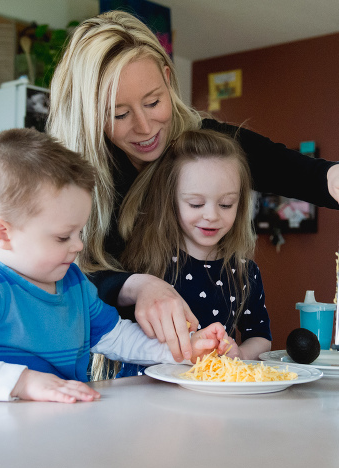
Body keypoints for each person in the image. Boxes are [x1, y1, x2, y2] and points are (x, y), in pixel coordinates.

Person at [47, 10, 339, 367]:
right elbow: (60, 276)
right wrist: (136, 285)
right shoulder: (75, 179)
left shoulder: (196, 142)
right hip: (106, 368)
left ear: (167, 80)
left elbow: (283, 165)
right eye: (119, 114)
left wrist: (332, 175)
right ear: (89, 114)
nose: (145, 127)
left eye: (153, 102)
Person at [0, 128, 231, 403]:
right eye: (63, 236)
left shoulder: (73, 283)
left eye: (80, 232)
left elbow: (117, 337)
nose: (78, 246)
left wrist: (185, 348)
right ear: (2, 234)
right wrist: (24, 382)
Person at [105, 129, 271, 377]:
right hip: (145, 396)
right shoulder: (145, 264)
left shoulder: (245, 272)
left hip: (212, 397)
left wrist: (242, 355)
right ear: (170, 200)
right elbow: (115, 331)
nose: (212, 215)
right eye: (195, 204)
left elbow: (260, 336)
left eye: (226, 204)